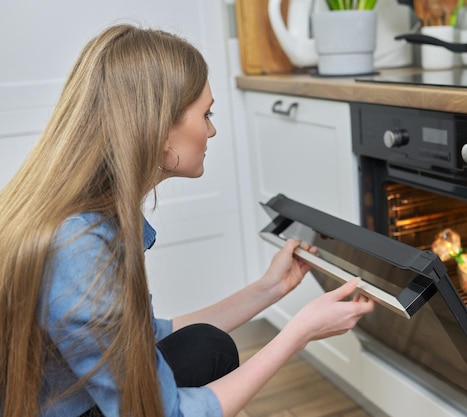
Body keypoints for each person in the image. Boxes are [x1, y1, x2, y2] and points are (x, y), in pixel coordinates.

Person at [0, 24, 375, 417]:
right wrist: (297, 334)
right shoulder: (81, 248)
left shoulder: (84, 213)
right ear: (159, 127)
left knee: (207, 346)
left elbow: (144, 338)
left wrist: (268, 289)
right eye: (206, 114)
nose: (212, 130)